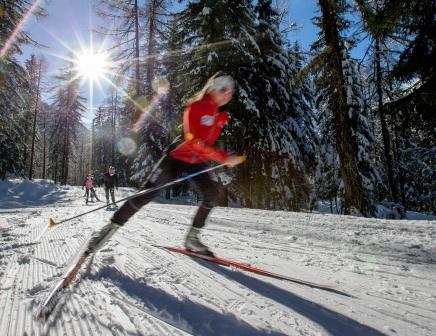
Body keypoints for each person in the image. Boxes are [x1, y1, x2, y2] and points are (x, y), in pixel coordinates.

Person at [85, 73, 244, 256]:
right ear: (213, 89)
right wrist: (223, 158)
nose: (228, 94)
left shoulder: (220, 116)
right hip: (177, 158)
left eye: (231, 91)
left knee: (211, 194)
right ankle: (107, 231)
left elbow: (206, 143)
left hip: (196, 161)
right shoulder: (197, 107)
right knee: (146, 194)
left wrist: (223, 153)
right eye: (224, 89)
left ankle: (192, 238)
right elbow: (193, 141)